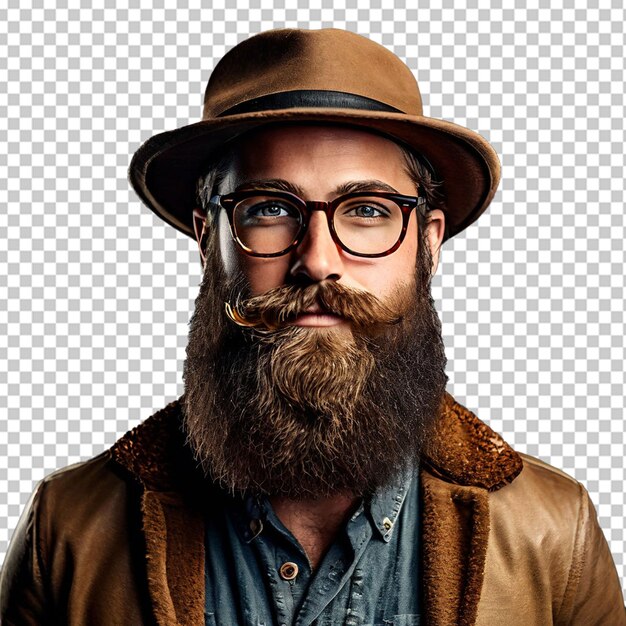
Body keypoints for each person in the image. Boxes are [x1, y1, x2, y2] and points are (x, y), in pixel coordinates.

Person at [1, 28, 624, 626]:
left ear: (429, 244)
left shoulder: (553, 530)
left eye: (368, 211)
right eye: (271, 207)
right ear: (206, 238)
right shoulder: (69, 530)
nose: (319, 259)